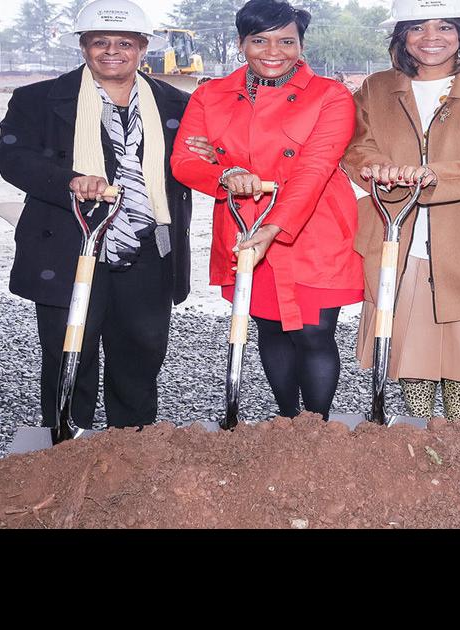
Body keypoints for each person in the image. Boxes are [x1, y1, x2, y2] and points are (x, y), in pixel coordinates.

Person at [0, 0, 192, 430]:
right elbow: (11, 156)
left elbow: (193, 163)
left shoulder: (175, 103)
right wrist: (68, 180)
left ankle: (131, 450)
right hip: (68, 248)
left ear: (142, 47)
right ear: (83, 46)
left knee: (139, 358)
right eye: (99, 41)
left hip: (148, 251)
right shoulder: (38, 100)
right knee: (70, 355)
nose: (111, 51)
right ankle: (67, 449)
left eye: (124, 42)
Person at [172, 0, 363, 420]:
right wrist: (223, 175)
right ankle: (287, 422)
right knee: (270, 327)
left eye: (286, 41)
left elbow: (314, 170)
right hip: (244, 221)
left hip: (312, 225)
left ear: (301, 44)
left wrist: (274, 226)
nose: (273, 51)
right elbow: (184, 161)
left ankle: (315, 426)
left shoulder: (330, 97)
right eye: (259, 40)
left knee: (314, 330)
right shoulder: (210, 95)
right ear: (241, 43)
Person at [342, 0, 460, 420]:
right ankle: (418, 429)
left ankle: (458, 432)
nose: (431, 39)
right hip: (398, 236)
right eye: (417, 28)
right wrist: (377, 170)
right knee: (411, 345)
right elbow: (357, 146)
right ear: (401, 35)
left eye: (444, 27)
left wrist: (434, 175)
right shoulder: (375, 88)